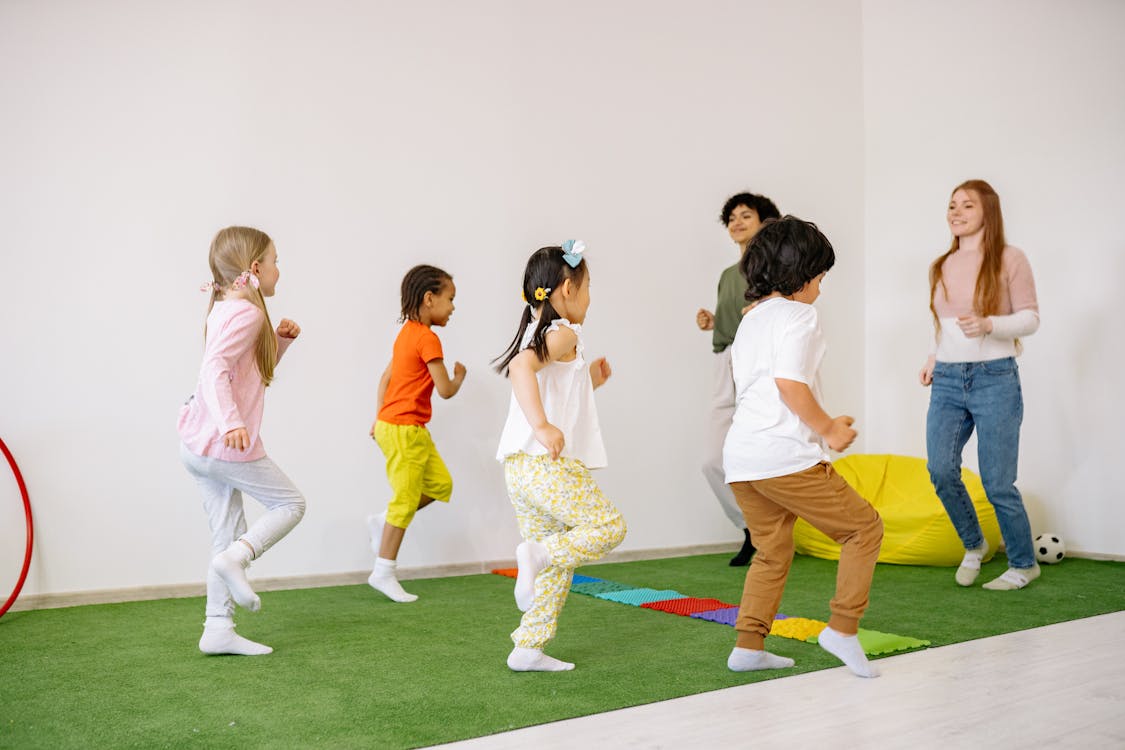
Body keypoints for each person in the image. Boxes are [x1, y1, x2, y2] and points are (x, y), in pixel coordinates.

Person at [723, 216, 883, 678]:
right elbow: (789, 384)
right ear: (799, 275)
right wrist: (829, 429)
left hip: (742, 458)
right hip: (782, 457)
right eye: (819, 277)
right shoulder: (800, 315)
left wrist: (824, 421)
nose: (820, 289)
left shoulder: (751, 319)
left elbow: (759, 388)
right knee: (864, 530)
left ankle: (749, 645)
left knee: (772, 549)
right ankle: (843, 629)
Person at [493, 241, 627, 672]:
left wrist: (590, 380)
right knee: (608, 527)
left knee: (557, 561)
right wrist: (543, 427)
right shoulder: (565, 331)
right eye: (587, 287)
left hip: (521, 469)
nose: (590, 297)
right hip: (547, 465)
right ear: (567, 288)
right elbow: (520, 368)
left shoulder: (545, 332)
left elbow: (553, 384)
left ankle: (528, 647)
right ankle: (536, 555)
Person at [178, 226, 306, 656]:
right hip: (222, 444)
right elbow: (214, 368)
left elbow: (246, 371)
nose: (278, 270)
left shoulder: (225, 307)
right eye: (274, 261)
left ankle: (217, 628)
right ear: (255, 268)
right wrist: (231, 422)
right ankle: (240, 558)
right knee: (291, 504)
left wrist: (280, 342)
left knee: (225, 535)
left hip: (197, 444)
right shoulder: (248, 313)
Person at [919, 179, 1040, 591]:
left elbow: (1030, 318)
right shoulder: (942, 264)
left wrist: (990, 324)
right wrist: (936, 357)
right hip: (949, 379)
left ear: (988, 211)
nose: (956, 212)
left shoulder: (1010, 258)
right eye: (952, 205)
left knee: (997, 482)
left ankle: (1024, 563)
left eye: (967, 205)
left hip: (995, 378)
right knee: (940, 469)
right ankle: (974, 544)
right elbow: (948, 326)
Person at [368, 264, 466, 602]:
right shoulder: (427, 338)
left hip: (405, 427)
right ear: (429, 298)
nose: (453, 307)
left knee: (441, 485)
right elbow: (445, 390)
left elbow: (385, 379)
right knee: (406, 500)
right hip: (403, 429)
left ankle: (384, 520)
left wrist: (379, 417)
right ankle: (383, 571)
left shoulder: (406, 333)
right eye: (450, 298)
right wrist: (459, 377)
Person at [696, 192, 782, 566]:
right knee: (713, 460)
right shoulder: (727, 276)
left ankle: (772, 532)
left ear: (765, 222)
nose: (737, 222)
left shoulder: (777, 271)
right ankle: (753, 528)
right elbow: (734, 319)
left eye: (746, 215)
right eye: (731, 217)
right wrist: (712, 322)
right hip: (725, 363)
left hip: (761, 367)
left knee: (763, 453)